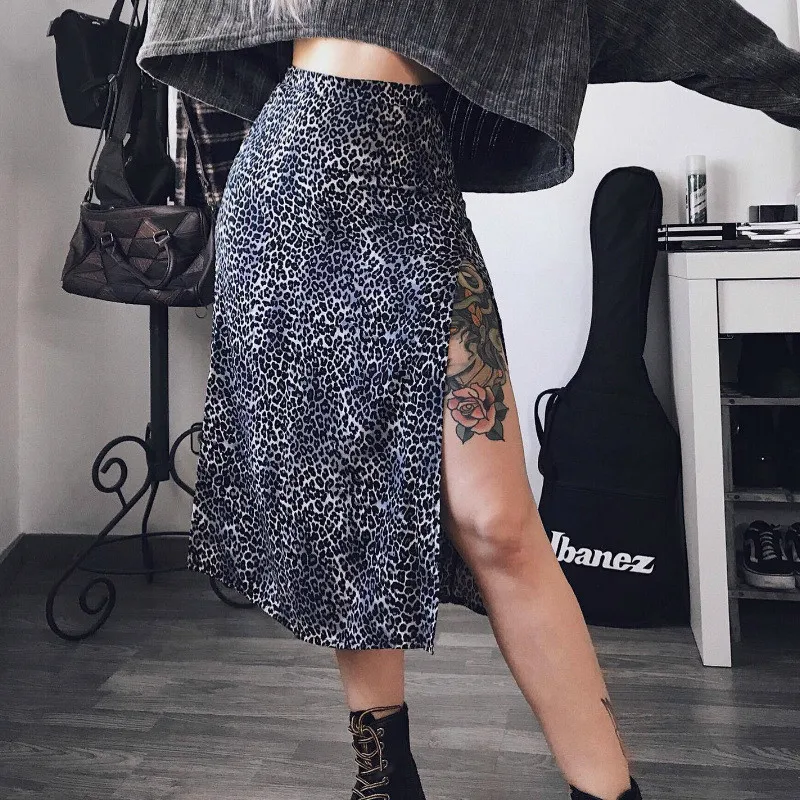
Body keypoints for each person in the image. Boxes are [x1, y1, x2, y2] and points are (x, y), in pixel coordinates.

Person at [136, 2, 800, 799]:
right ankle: (384, 780)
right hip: (286, 191)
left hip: (410, 187)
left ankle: (608, 791)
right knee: (349, 508)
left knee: (499, 524)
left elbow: (676, 20)